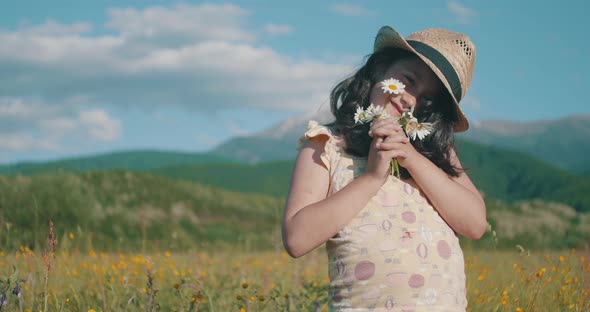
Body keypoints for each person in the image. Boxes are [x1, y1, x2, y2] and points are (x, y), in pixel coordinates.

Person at [282, 25, 487, 311]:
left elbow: (475, 225)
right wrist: (371, 178)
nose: (410, 99)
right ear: (379, 68)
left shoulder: (436, 154)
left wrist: (412, 158)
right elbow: (297, 239)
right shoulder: (326, 145)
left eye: (428, 99)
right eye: (408, 80)